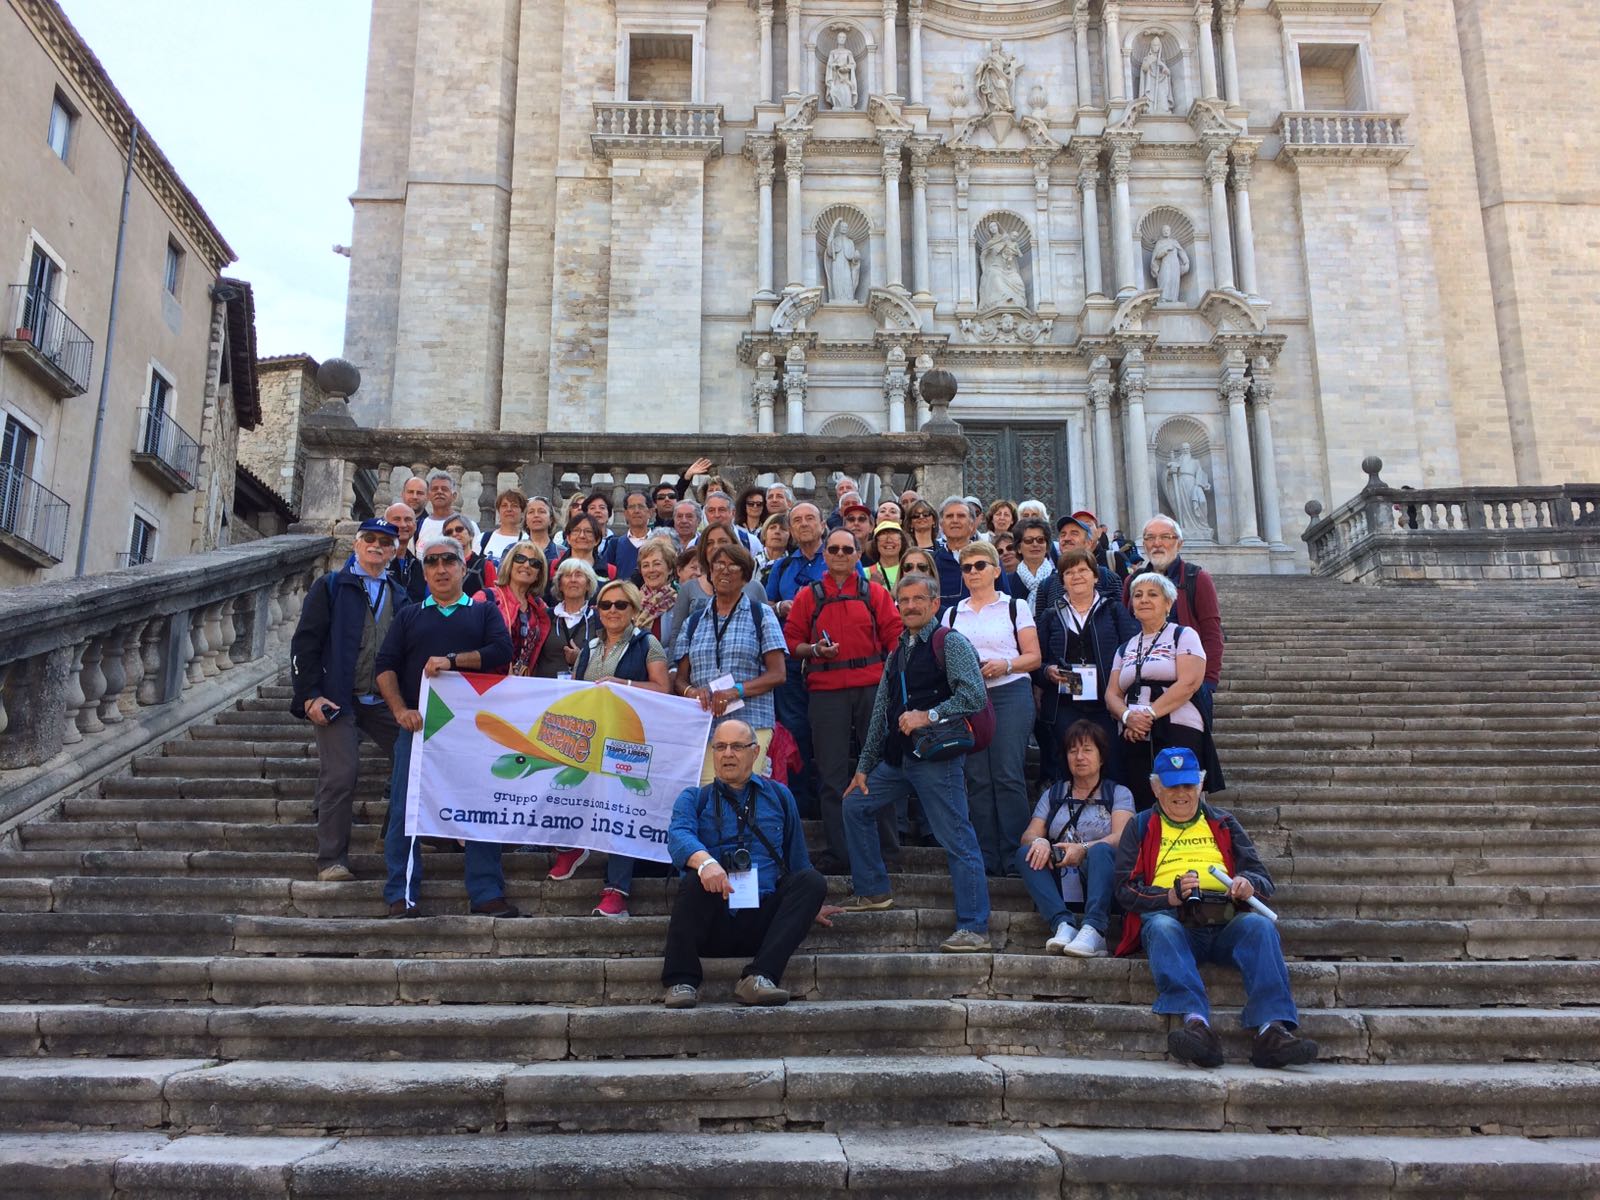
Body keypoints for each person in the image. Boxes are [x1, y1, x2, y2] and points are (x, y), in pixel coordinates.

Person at [1114, 746, 1317, 1070]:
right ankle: (1196, 1024)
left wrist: (1247, 884)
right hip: (1174, 920)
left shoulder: (1223, 822)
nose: (1181, 793)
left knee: (1261, 926)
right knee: (1161, 926)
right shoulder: (1141, 825)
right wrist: (1170, 896)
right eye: (1172, 786)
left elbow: (1262, 878)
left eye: (1188, 785)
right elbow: (1124, 888)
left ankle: (1272, 1030)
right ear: (1155, 788)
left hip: (1226, 919)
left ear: (1200, 785)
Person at [841, 574, 992, 953]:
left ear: (934, 603)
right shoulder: (898, 649)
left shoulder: (950, 642)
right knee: (855, 805)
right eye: (903, 600)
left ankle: (974, 927)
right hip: (898, 760)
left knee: (957, 838)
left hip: (937, 760)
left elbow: (974, 695)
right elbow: (881, 711)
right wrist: (864, 766)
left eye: (917, 599)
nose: (909, 606)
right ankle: (873, 891)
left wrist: (929, 715)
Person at [375, 538, 513, 916]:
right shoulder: (409, 615)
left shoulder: (483, 612)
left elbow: (502, 651)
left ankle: (486, 891)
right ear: (424, 571)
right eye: (432, 562)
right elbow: (384, 666)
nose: (440, 568)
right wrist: (400, 710)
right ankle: (401, 892)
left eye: (448, 560)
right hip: (421, 729)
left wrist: (452, 661)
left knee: (480, 806)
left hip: (473, 730)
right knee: (406, 808)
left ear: (463, 567)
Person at [661, 719, 830, 1009]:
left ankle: (759, 978)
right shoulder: (694, 798)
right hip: (714, 919)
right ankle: (681, 980)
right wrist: (706, 863)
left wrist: (807, 906)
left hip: (762, 919)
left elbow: (798, 862)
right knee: (693, 879)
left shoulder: (779, 796)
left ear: (755, 752)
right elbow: (679, 837)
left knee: (812, 881)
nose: (727, 754)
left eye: (737, 747)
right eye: (720, 747)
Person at [290, 517, 405, 882]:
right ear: (356, 544)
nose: (376, 546)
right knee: (341, 774)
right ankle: (331, 860)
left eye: (384, 542)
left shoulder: (400, 594)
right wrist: (309, 695)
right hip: (338, 697)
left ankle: (391, 838)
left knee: (414, 761)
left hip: (384, 701)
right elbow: (305, 643)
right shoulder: (331, 586)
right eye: (369, 538)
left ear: (394, 551)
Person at [784, 527, 903, 873]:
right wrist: (814, 649)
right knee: (831, 774)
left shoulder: (874, 593)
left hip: (872, 689)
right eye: (833, 549)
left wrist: (891, 682)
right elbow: (790, 641)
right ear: (825, 555)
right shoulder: (808, 596)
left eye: (846, 550)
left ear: (857, 555)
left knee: (879, 770)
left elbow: (895, 637)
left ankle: (887, 851)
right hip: (826, 691)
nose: (839, 555)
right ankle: (841, 852)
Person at [571, 579, 672, 918]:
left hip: (629, 742)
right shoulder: (589, 647)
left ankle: (616, 890)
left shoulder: (647, 643)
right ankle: (573, 847)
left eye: (620, 604)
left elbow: (663, 689)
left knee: (622, 811)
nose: (612, 610)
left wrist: (623, 684)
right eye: (605, 605)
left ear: (634, 609)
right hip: (590, 741)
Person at [942, 540, 1041, 875]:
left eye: (980, 565)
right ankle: (985, 856)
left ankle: (1014, 856)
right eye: (967, 567)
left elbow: (1034, 657)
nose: (973, 572)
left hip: (1010, 692)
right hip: (969, 699)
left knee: (1007, 773)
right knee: (977, 777)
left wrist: (1005, 665)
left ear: (996, 571)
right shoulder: (952, 613)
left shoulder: (1015, 606)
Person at [1016, 720, 1134, 957]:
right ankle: (1063, 924)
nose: (1079, 757)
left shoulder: (1118, 793)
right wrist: (1039, 842)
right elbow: (1029, 835)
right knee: (1025, 853)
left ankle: (1095, 929)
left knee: (1101, 850)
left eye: (1087, 750)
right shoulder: (1054, 794)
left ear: (1101, 757)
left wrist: (1084, 849)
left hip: (1101, 877)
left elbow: (1122, 837)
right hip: (1062, 875)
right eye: (1073, 751)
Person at [675, 542, 788, 784]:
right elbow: (680, 679)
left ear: (745, 577)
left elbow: (778, 674)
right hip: (706, 726)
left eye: (733, 566)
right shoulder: (694, 622)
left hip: (752, 721)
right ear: (710, 572)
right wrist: (691, 691)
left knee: (741, 789)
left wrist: (735, 691)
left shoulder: (761, 614)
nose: (725, 570)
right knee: (709, 791)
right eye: (719, 565)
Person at [1106, 571, 1209, 813]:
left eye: (1152, 594)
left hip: (1177, 728)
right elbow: (1112, 694)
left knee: (1180, 797)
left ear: (1168, 603)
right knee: (1141, 800)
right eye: (1137, 595)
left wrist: (1148, 715)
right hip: (1133, 733)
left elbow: (1189, 682)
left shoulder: (1183, 635)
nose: (1143, 600)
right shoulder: (1125, 648)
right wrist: (1128, 717)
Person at [1039, 549, 1139, 782]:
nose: (1076, 576)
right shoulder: (1051, 615)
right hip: (1065, 704)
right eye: (1069, 572)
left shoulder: (1114, 610)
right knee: (1071, 766)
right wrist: (1047, 671)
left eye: (1083, 570)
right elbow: (1036, 661)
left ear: (1095, 576)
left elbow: (1132, 653)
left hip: (1108, 703)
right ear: (1062, 581)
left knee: (1111, 765)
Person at [764, 502, 830, 814]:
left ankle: (829, 799)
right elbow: (766, 604)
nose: (804, 524)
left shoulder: (838, 556)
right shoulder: (782, 567)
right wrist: (781, 607)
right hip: (790, 658)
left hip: (829, 658)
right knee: (795, 727)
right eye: (798, 520)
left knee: (826, 728)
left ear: (822, 525)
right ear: (790, 529)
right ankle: (801, 799)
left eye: (810, 518)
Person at [668, 522, 770, 637]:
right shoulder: (689, 588)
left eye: (723, 541)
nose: (716, 547)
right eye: (709, 543)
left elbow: (766, 631)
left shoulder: (755, 588)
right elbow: (677, 633)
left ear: (734, 545)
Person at [474, 538, 553, 679]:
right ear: (510, 565)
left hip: (522, 685)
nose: (527, 565)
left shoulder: (540, 608)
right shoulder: (486, 598)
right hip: (486, 683)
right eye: (520, 559)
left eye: (534, 563)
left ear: (538, 575)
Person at [544, 557, 602, 680]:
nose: (573, 580)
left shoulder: (600, 620)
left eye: (579, 575)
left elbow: (607, 662)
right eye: (567, 575)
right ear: (559, 584)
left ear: (588, 584)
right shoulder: (545, 617)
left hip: (585, 690)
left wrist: (581, 659)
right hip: (545, 689)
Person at [1060, 515, 1123, 604]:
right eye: (1063, 534)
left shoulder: (1108, 578)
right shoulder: (1047, 584)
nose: (1066, 538)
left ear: (1088, 543)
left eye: (1074, 533)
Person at [633, 536, 681, 647]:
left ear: (670, 569)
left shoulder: (679, 602)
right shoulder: (631, 601)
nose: (651, 570)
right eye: (645, 565)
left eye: (657, 564)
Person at [933, 496, 980, 605]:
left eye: (961, 516)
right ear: (941, 525)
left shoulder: (988, 558)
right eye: (949, 516)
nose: (955, 521)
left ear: (971, 524)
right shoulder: (932, 562)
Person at [1007, 518, 1059, 615]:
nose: (1035, 544)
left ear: (1047, 546)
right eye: (1028, 540)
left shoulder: (1060, 579)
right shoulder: (1007, 582)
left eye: (1040, 540)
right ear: (1018, 548)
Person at [383, 502, 428, 605]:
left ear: (415, 526)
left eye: (408, 520)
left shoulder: (418, 566)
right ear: (385, 523)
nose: (403, 525)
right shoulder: (371, 559)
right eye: (396, 519)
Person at [604, 490, 655, 581]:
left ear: (650, 512)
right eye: (631, 507)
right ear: (626, 513)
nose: (636, 511)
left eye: (641, 506)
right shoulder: (615, 544)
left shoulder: (658, 542)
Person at [418, 469, 478, 546]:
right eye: (435, 489)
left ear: (454, 496)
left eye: (444, 489)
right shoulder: (419, 526)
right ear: (428, 496)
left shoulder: (470, 526)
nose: (439, 492)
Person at [442, 514, 496, 595]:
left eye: (459, 529)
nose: (454, 534)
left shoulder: (485, 565)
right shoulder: (441, 565)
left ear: (470, 534)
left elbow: (494, 596)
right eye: (449, 532)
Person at [556, 514, 616, 585]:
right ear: (568, 538)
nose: (582, 536)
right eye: (576, 531)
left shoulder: (610, 571)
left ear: (597, 540)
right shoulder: (553, 567)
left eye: (588, 531)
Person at [476, 489, 528, 568]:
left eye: (514, 506)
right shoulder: (483, 539)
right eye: (504, 506)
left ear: (522, 512)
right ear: (498, 511)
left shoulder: (527, 540)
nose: (509, 509)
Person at [865, 520, 906, 591]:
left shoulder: (910, 569)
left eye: (894, 535)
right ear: (875, 544)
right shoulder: (865, 573)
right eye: (883, 536)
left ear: (902, 542)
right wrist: (872, 586)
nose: (889, 540)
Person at [521, 496, 560, 567]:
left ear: (551, 519)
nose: (536, 515)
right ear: (526, 520)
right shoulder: (513, 550)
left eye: (541, 511)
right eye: (531, 512)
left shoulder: (562, 552)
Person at [758, 513, 793, 585]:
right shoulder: (751, 563)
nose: (777, 532)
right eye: (772, 527)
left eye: (783, 529)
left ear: (790, 536)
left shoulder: (794, 564)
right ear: (764, 534)